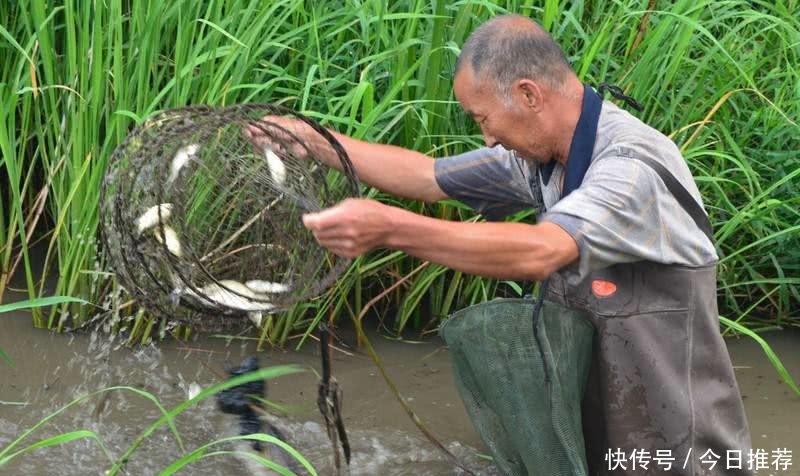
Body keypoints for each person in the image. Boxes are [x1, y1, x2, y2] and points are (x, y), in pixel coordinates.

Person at [247, 14, 752, 476]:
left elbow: (543, 250)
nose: (486, 138)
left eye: (482, 118)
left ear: (529, 95)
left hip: (682, 452)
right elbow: (427, 177)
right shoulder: (541, 156)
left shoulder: (630, 169)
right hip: (603, 443)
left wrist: (391, 229)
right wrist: (312, 141)